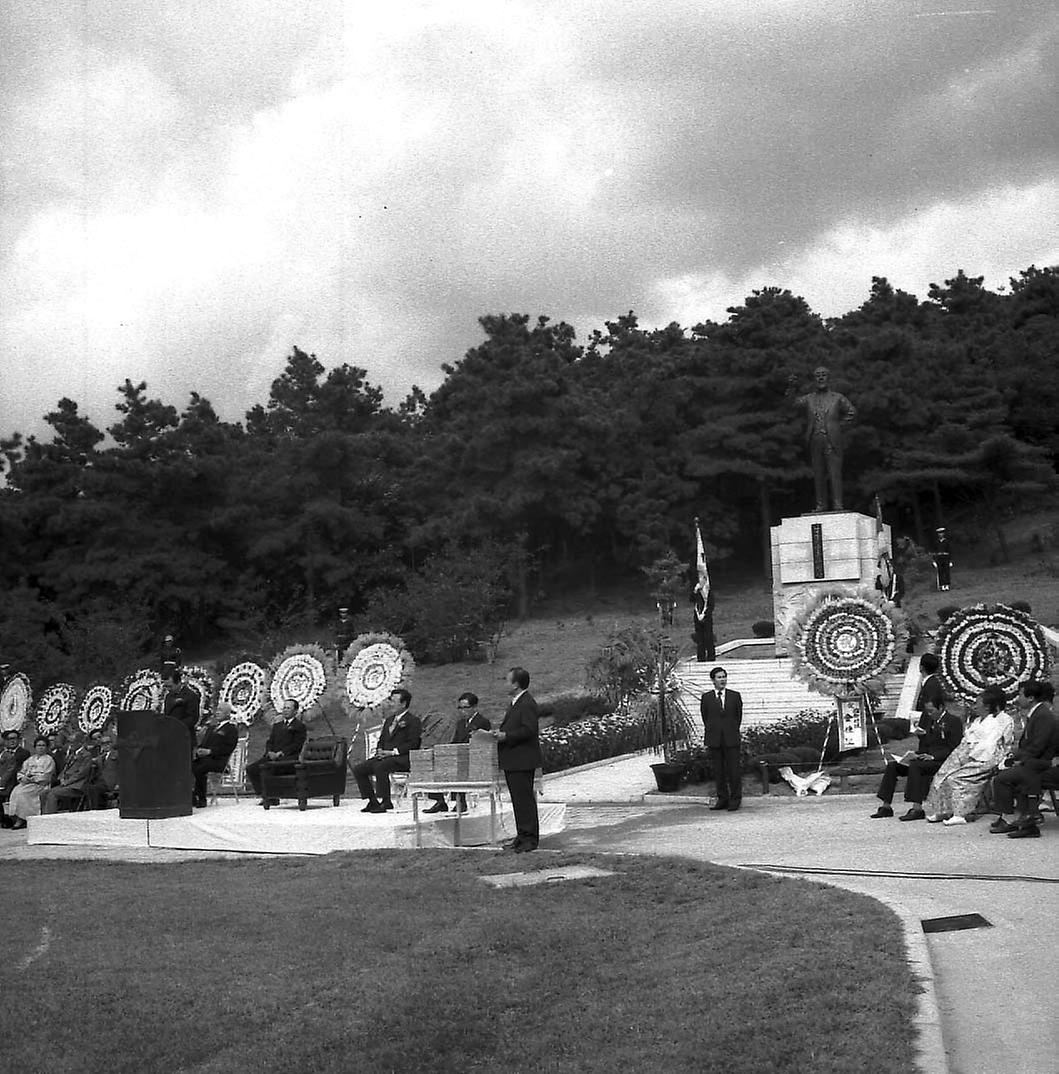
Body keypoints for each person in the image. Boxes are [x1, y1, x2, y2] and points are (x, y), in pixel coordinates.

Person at [923, 685, 1018, 824]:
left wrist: (976, 753)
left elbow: (997, 743)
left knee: (957, 778)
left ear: (988, 706)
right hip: (967, 751)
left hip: (987, 755)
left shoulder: (1002, 720)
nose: (974, 706)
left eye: (978, 704)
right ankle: (942, 810)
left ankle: (960, 813)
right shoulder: (977, 720)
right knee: (942, 775)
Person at [870, 696, 963, 820]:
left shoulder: (953, 721)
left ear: (941, 708)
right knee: (893, 766)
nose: (929, 714)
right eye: (927, 711)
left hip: (942, 760)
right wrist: (918, 749)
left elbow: (954, 746)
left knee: (916, 766)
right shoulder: (931, 721)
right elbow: (928, 744)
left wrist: (933, 756)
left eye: (932, 711)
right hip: (927, 756)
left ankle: (917, 807)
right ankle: (886, 805)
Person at [989, 681, 1058, 839]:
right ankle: (1023, 819)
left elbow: (1038, 746)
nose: (1018, 698)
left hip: (1042, 764)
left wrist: (1021, 760)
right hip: (1034, 762)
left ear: (1031, 698)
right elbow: (1029, 745)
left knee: (1003, 779)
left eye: (1020, 694)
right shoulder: (1036, 714)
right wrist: (1015, 756)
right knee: (1007, 772)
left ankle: (1011, 818)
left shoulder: (1043, 716)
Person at [488, 667, 542, 852]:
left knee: (524, 800)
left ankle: (530, 839)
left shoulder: (526, 703)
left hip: (522, 759)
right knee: (518, 801)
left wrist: (506, 736)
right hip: (514, 759)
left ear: (516, 684)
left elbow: (529, 730)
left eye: (507, 680)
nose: (504, 684)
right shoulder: (515, 703)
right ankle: (522, 835)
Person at [789, 366, 856, 512]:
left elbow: (851, 412)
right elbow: (793, 404)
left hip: (832, 439)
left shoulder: (838, 398)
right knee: (818, 474)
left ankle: (838, 504)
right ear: (814, 379)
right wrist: (792, 387)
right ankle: (821, 505)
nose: (820, 378)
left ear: (828, 378)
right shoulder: (809, 398)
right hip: (815, 439)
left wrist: (838, 427)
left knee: (834, 473)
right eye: (818, 375)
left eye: (823, 375)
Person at [353, 688, 422, 813]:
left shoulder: (413, 721)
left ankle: (386, 801)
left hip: (402, 758)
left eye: (394, 701)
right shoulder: (389, 720)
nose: (391, 704)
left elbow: (413, 744)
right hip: (386, 756)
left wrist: (393, 752)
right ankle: (372, 801)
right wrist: (380, 749)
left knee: (380, 767)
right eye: (391, 700)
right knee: (359, 769)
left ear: (403, 703)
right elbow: (382, 739)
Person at [425, 693, 492, 814]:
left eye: (465, 708)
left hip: (474, 758)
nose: (462, 711)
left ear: (474, 707)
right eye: (460, 708)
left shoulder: (482, 722)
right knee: (438, 761)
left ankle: (460, 800)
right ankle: (439, 800)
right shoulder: (460, 723)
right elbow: (455, 740)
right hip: (459, 755)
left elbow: (480, 742)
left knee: (457, 766)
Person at [247, 699, 307, 806]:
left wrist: (282, 752)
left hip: (289, 758)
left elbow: (297, 745)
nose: (285, 710)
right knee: (252, 769)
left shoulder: (299, 726)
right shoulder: (277, 726)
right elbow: (270, 741)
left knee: (270, 767)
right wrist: (269, 752)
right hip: (272, 756)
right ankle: (265, 794)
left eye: (288, 708)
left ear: (295, 711)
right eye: (284, 708)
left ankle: (273, 796)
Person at [701, 667, 743, 812]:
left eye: (724, 676)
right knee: (719, 771)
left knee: (733, 771)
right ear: (713, 680)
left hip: (731, 738)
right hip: (715, 739)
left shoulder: (735, 696)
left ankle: (735, 799)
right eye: (719, 677)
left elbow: (738, 717)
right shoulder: (706, 697)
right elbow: (705, 717)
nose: (722, 680)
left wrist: (730, 730)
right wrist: (715, 731)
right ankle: (722, 799)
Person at [191, 702, 239, 808]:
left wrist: (211, 751)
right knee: (191, 765)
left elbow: (228, 747)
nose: (217, 712)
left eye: (220, 710)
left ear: (227, 714)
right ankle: (193, 795)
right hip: (206, 759)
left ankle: (201, 798)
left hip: (220, 761)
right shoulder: (211, 728)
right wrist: (200, 750)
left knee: (200, 768)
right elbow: (203, 744)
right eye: (217, 710)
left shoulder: (231, 729)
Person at [41, 732, 100, 814]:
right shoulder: (72, 754)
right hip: (67, 784)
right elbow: (65, 768)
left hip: (77, 786)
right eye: (69, 742)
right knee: (44, 793)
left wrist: (67, 782)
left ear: (80, 743)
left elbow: (81, 773)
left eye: (72, 742)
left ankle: (50, 818)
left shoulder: (86, 755)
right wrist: (61, 778)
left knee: (52, 794)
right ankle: (43, 817)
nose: (70, 744)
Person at [5, 738, 57, 829]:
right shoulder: (30, 759)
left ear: (47, 747)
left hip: (40, 785)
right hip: (27, 783)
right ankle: (17, 816)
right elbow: (21, 772)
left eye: (43, 745)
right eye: (38, 745)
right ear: (35, 747)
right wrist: (23, 778)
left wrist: (33, 779)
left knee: (23, 793)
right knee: (15, 791)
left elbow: (47, 776)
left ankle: (23, 818)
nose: (40, 748)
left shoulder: (49, 760)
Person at [0, 730, 31, 828]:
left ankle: (9, 819)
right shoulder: (2, 753)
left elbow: (15, 771)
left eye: (15, 738)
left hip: (15, 781)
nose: (12, 741)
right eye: (9, 739)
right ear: (5, 741)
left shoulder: (23, 753)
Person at [162, 670, 201, 746]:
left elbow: (193, 718)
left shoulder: (190, 695)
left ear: (179, 682)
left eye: (170, 686)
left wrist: (175, 726)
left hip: (185, 738)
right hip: (170, 738)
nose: (168, 689)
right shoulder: (168, 696)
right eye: (166, 686)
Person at [86, 728, 120, 808]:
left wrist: (119, 783)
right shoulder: (100, 757)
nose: (106, 745)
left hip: (112, 782)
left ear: (111, 743)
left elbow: (123, 770)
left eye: (108, 743)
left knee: (94, 789)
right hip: (101, 782)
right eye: (103, 743)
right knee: (89, 788)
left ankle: (96, 810)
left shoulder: (117, 754)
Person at [692, 582, 716, 662]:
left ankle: (711, 656)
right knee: (700, 637)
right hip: (697, 618)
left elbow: (711, 606)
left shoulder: (709, 594)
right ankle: (701, 657)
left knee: (708, 636)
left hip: (707, 617)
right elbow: (691, 599)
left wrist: (704, 615)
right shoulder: (698, 593)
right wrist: (695, 590)